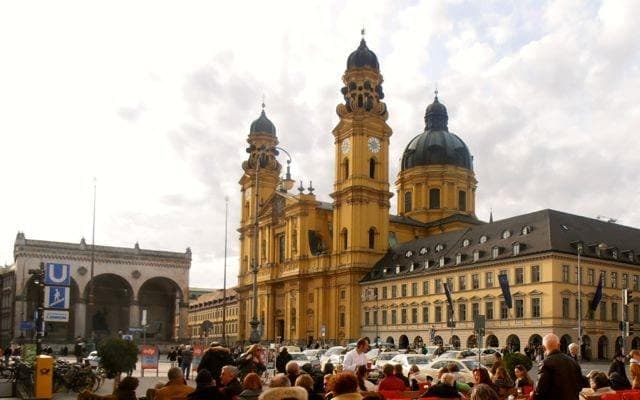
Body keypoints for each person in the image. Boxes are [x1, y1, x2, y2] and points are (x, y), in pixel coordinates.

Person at [534, 333, 584, 400]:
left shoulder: (545, 363)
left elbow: (540, 390)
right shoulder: (573, 361)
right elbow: (580, 385)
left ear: (543, 347)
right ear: (559, 345)